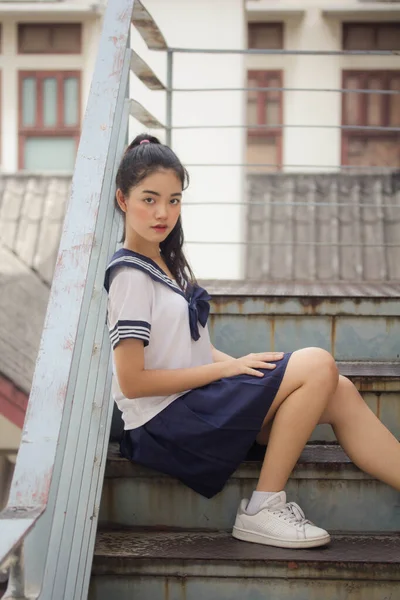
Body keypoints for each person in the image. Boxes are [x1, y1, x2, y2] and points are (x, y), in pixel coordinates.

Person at [104, 133, 400, 550]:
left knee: (338, 390)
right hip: (166, 425)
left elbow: (186, 348)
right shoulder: (130, 276)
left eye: (173, 200)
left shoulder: (162, 263)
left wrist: (241, 367)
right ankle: (263, 508)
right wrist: (227, 371)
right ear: (123, 199)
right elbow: (133, 382)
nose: (163, 213)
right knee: (317, 364)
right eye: (149, 199)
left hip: (192, 405)